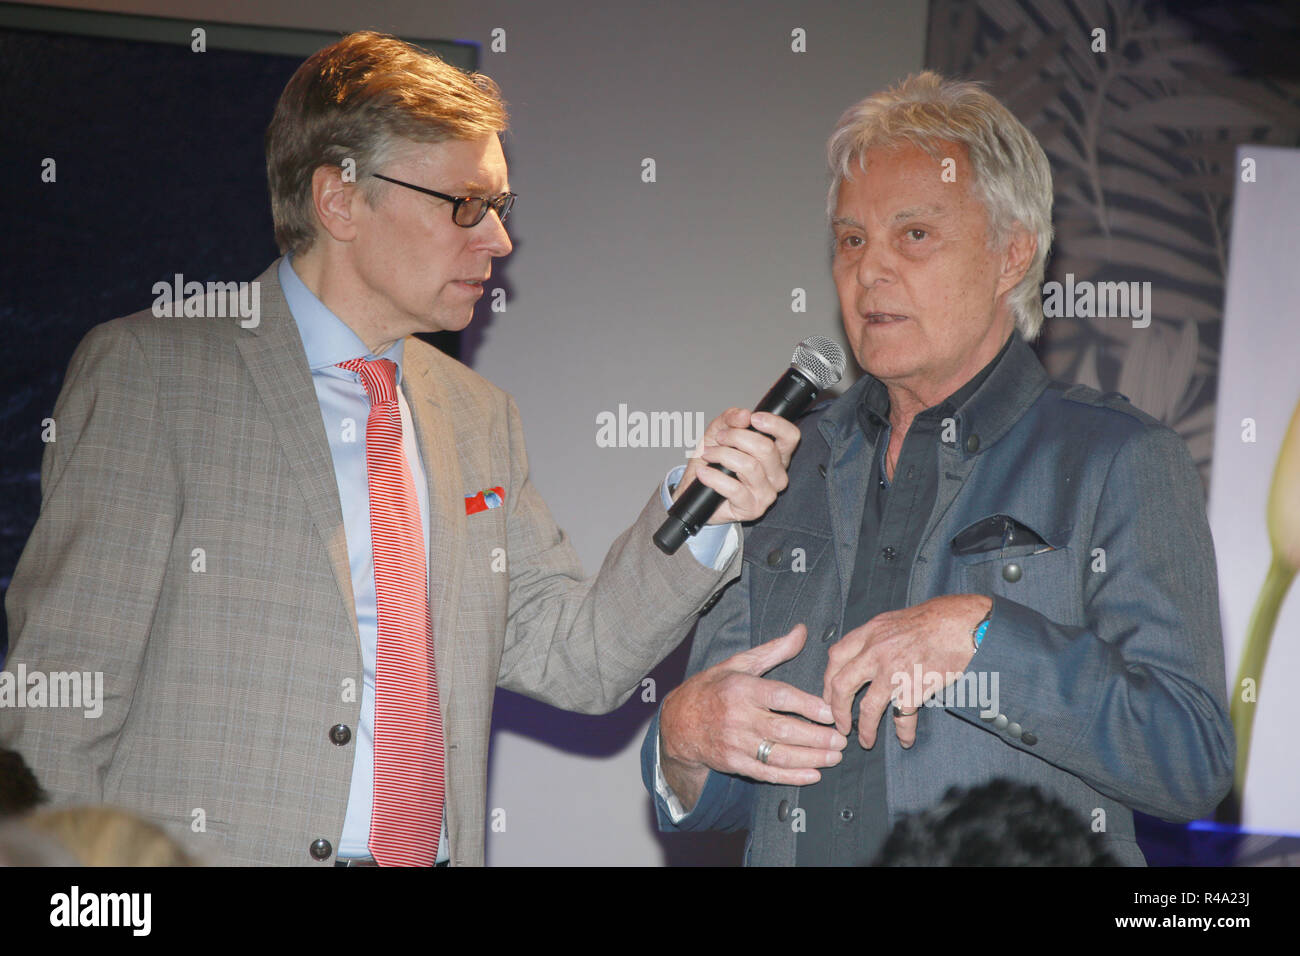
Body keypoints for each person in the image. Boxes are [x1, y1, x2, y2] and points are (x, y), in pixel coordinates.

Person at [1, 31, 797, 867]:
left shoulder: (477, 415)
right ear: (340, 201)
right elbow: (59, 704)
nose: (498, 241)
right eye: (464, 205)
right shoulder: (153, 375)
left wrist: (700, 509)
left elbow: (579, 659)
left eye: (500, 207)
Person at [643, 71, 1234, 866]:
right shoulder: (786, 463)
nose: (869, 271)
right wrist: (683, 738)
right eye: (852, 240)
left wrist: (982, 640)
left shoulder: (1117, 458)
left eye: (914, 235)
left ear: (1011, 255)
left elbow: (1189, 758)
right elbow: (731, 780)